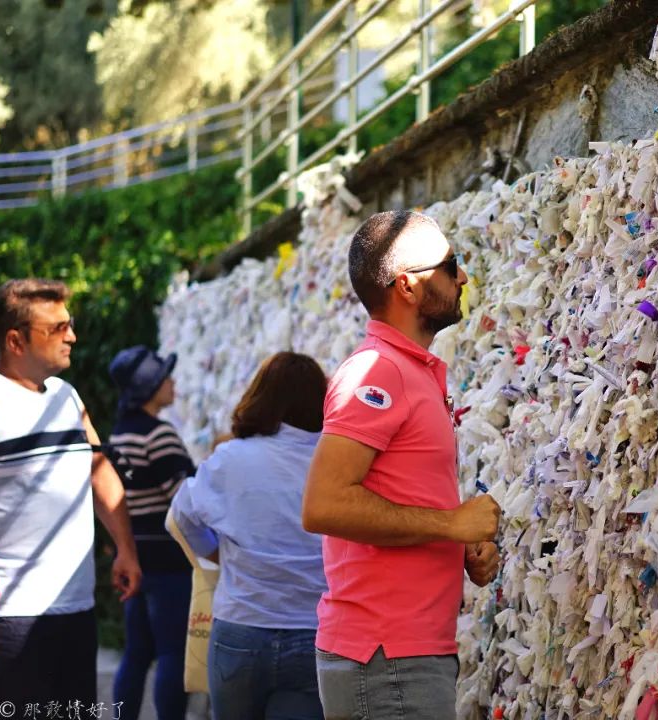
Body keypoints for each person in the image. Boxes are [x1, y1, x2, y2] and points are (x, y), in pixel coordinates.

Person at [301, 210, 501, 720]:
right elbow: (325, 504)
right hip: (386, 658)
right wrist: (450, 523)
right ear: (408, 287)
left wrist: (457, 545)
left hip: (404, 654)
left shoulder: (410, 371)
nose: (462, 277)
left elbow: (396, 492)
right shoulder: (378, 372)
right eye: (450, 265)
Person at [0, 278, 141, 709]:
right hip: (10, 620)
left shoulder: (67, 398)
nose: (72, 335)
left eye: (69, 323)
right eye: (57, 328)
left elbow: (99, 470)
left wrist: (125, 548)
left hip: (75, 609)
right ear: (15, 340)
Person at [169, 352, 329, 720]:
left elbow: (180, 514)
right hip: (313, 632)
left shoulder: (232, 458)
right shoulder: (333, 463)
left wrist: (214, 554)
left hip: (240, 631)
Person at [107, 346, 195, 720]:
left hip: (133, 558)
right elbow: (185, 501)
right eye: (165, 377)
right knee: (174, 651)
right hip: (169, 562)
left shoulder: (118, 434)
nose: (172, 382)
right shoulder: (159, 435)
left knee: (137, 654)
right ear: (151, 387)